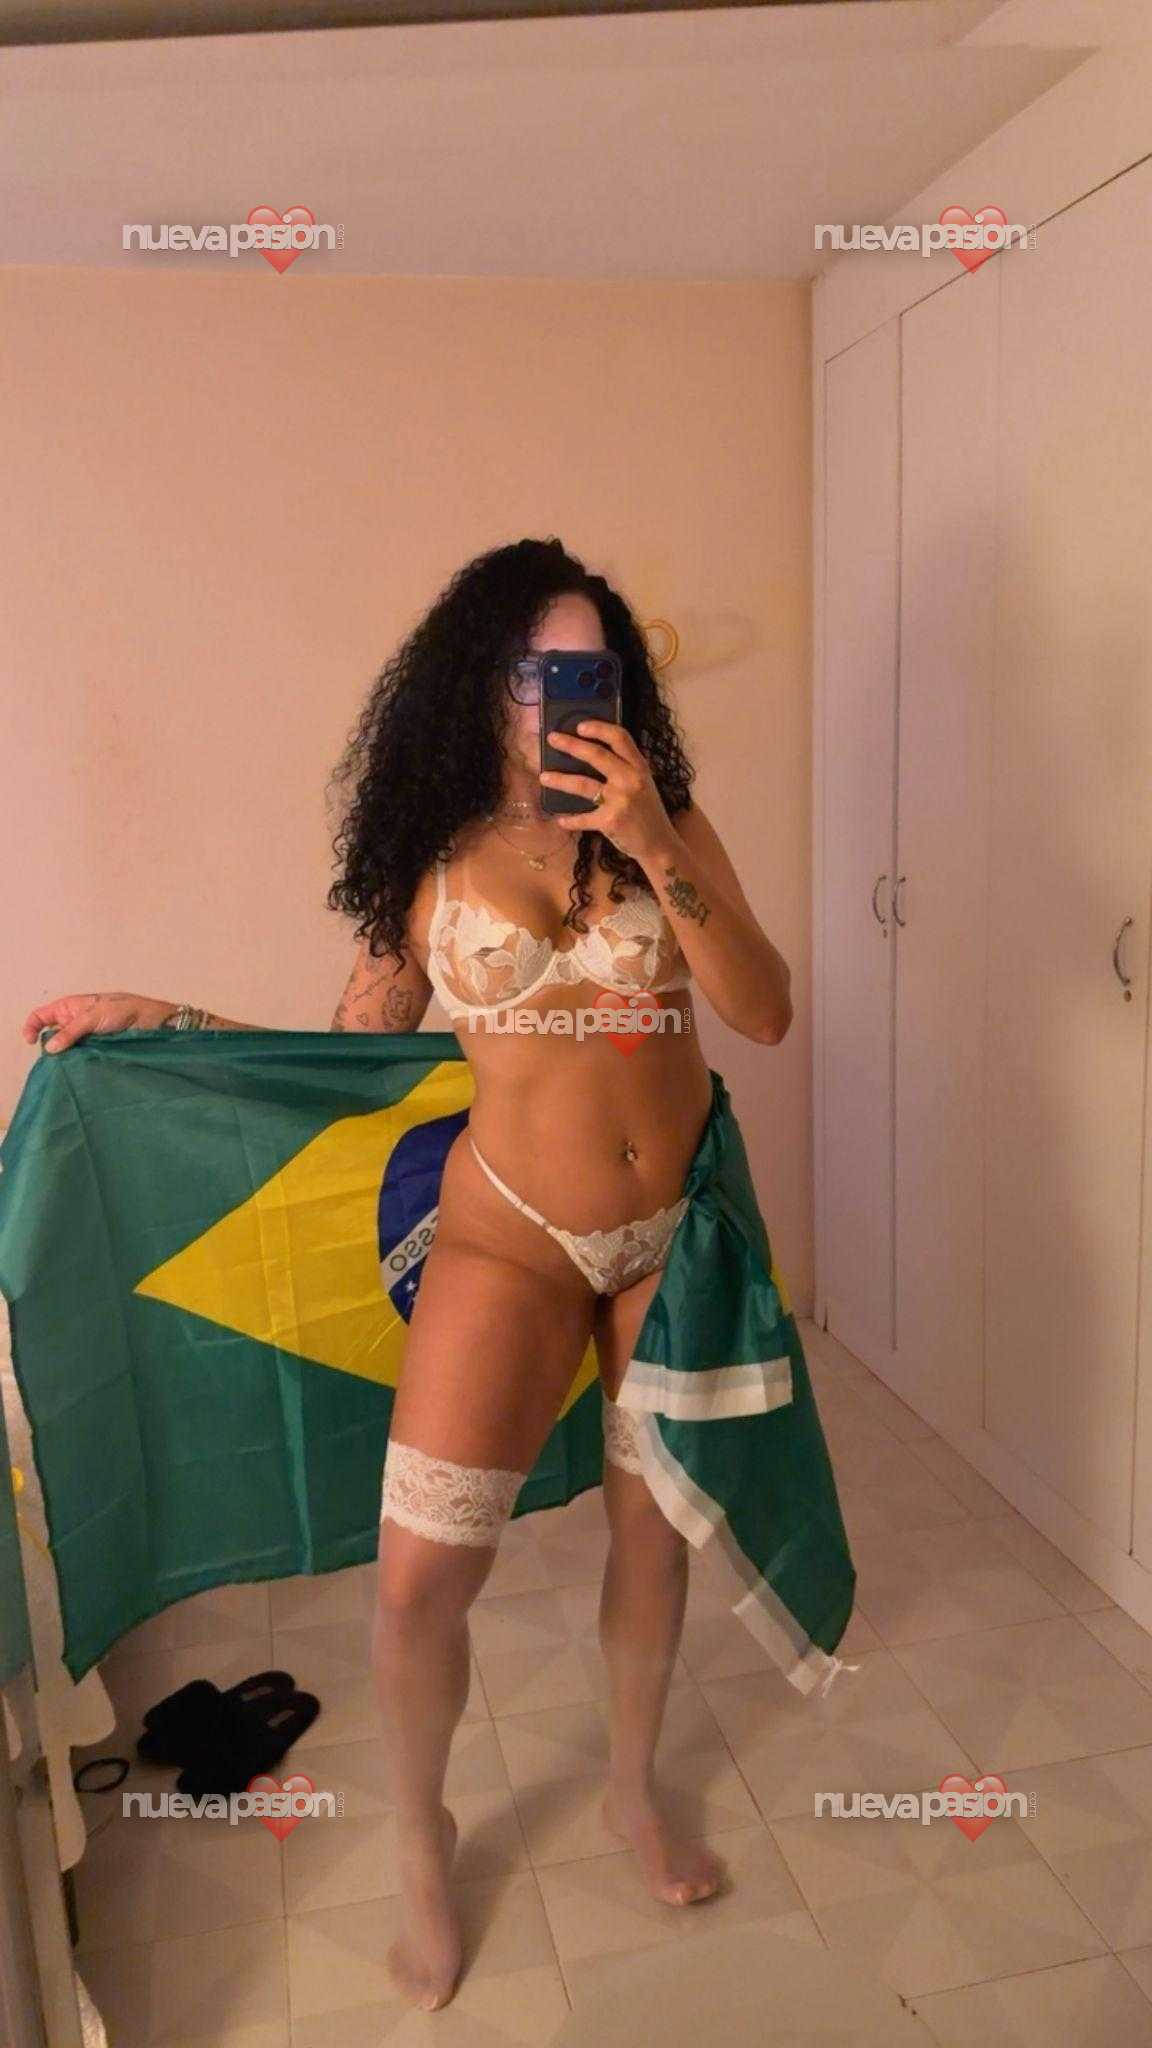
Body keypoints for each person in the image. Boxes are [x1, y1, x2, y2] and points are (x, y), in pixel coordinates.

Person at [22, 537, 795, 2013]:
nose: (565, 699)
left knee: (655, 1536)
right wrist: (161, 1022)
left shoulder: (670, 825)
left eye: (592, 671)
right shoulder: (429, 861)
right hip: (510, 1233)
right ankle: (425, 1844)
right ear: (480, 685)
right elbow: (344, 1055)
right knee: (421, 1579)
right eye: (538, 672)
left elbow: (764, 1011)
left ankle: (632, 1788)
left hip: (669, 1239)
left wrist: (657, 847)